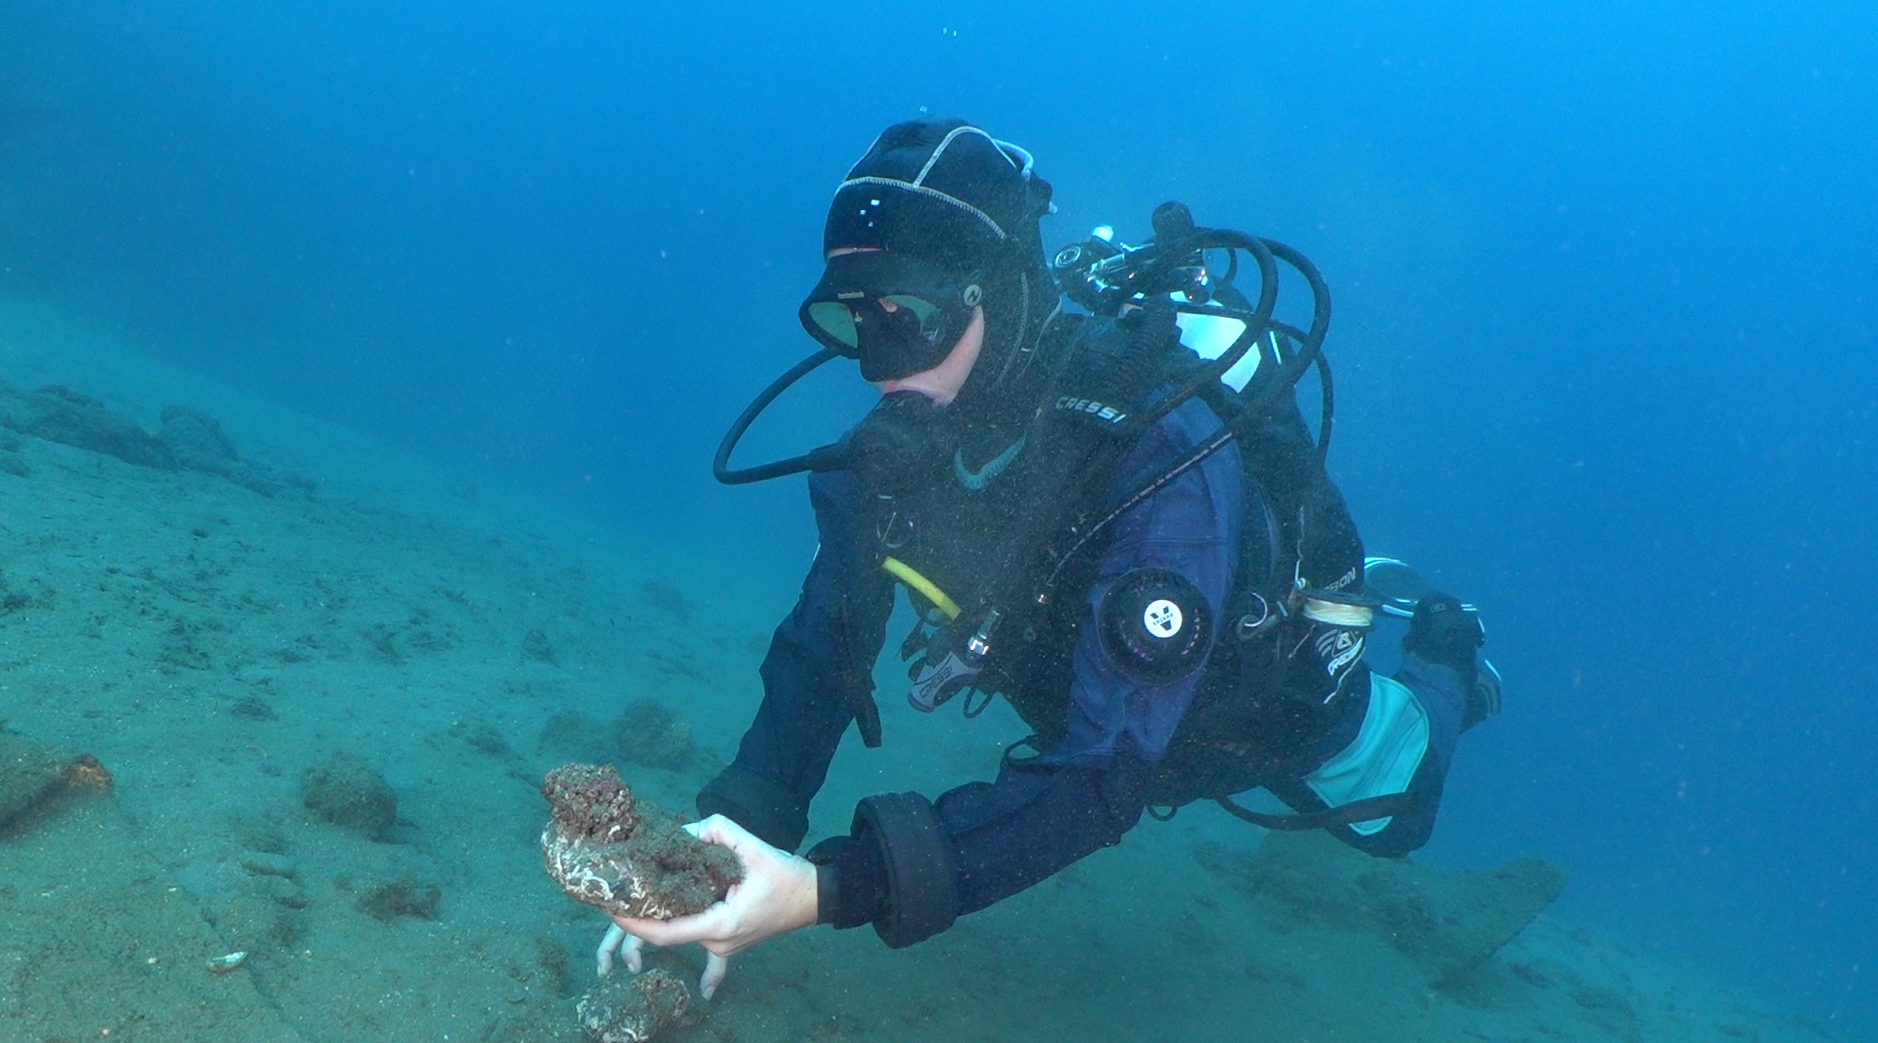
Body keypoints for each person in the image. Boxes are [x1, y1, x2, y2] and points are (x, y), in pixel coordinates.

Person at [601, 116, 1501, 999]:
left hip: (1263, 715)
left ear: (1000, 294)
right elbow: (821, 651)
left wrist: (827, 889)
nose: (879, 367)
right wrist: (723, 846)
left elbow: (1098, 779)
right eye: (855, 319)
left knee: (1395, 815)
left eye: (911, 316)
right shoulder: (887, 467)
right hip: (1093, 691)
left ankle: (1449, 652)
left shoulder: (1163, 458)